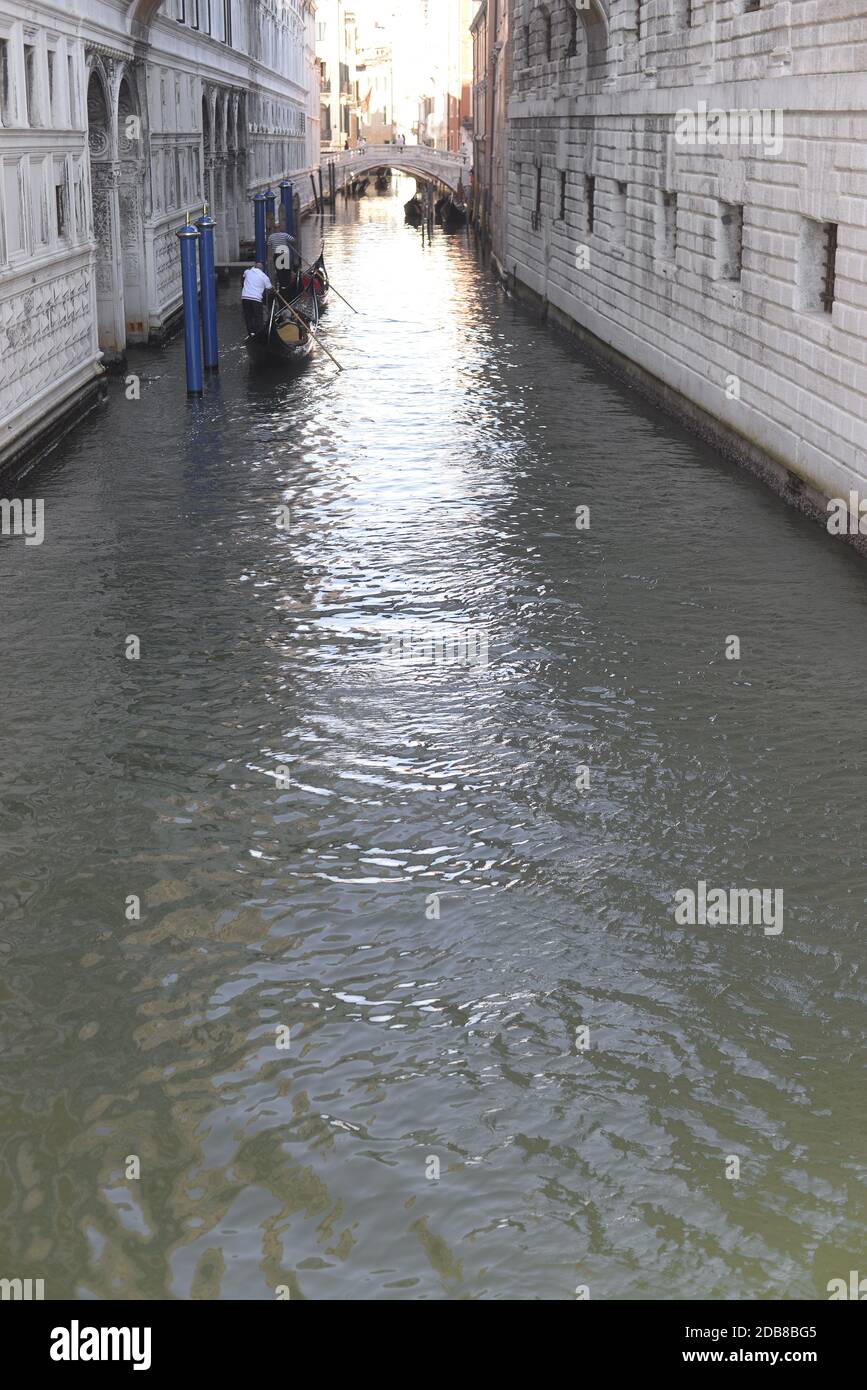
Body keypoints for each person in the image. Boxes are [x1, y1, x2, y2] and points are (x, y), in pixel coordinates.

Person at [266, 213, 301, 299]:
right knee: (286, 272)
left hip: (277, 255)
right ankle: (286, 288)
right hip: (284, 255)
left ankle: (282, 288)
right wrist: (287, 242)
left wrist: (270, 256)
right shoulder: (284, 235)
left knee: (279, 272)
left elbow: (269, 245)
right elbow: (293, 240)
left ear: (274, 229)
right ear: (280, 229)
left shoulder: (271, 236)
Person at [241, 261, 273, 336]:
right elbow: (270, 288)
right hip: (256, 299)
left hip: (245, 297)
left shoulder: (248, 272)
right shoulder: (264, 277)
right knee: (258, 316)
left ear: (255, 267)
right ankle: (258, 333)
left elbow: (244, 275)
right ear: (262, 269)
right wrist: (273, 289)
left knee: (248, 316)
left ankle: (251, 333)